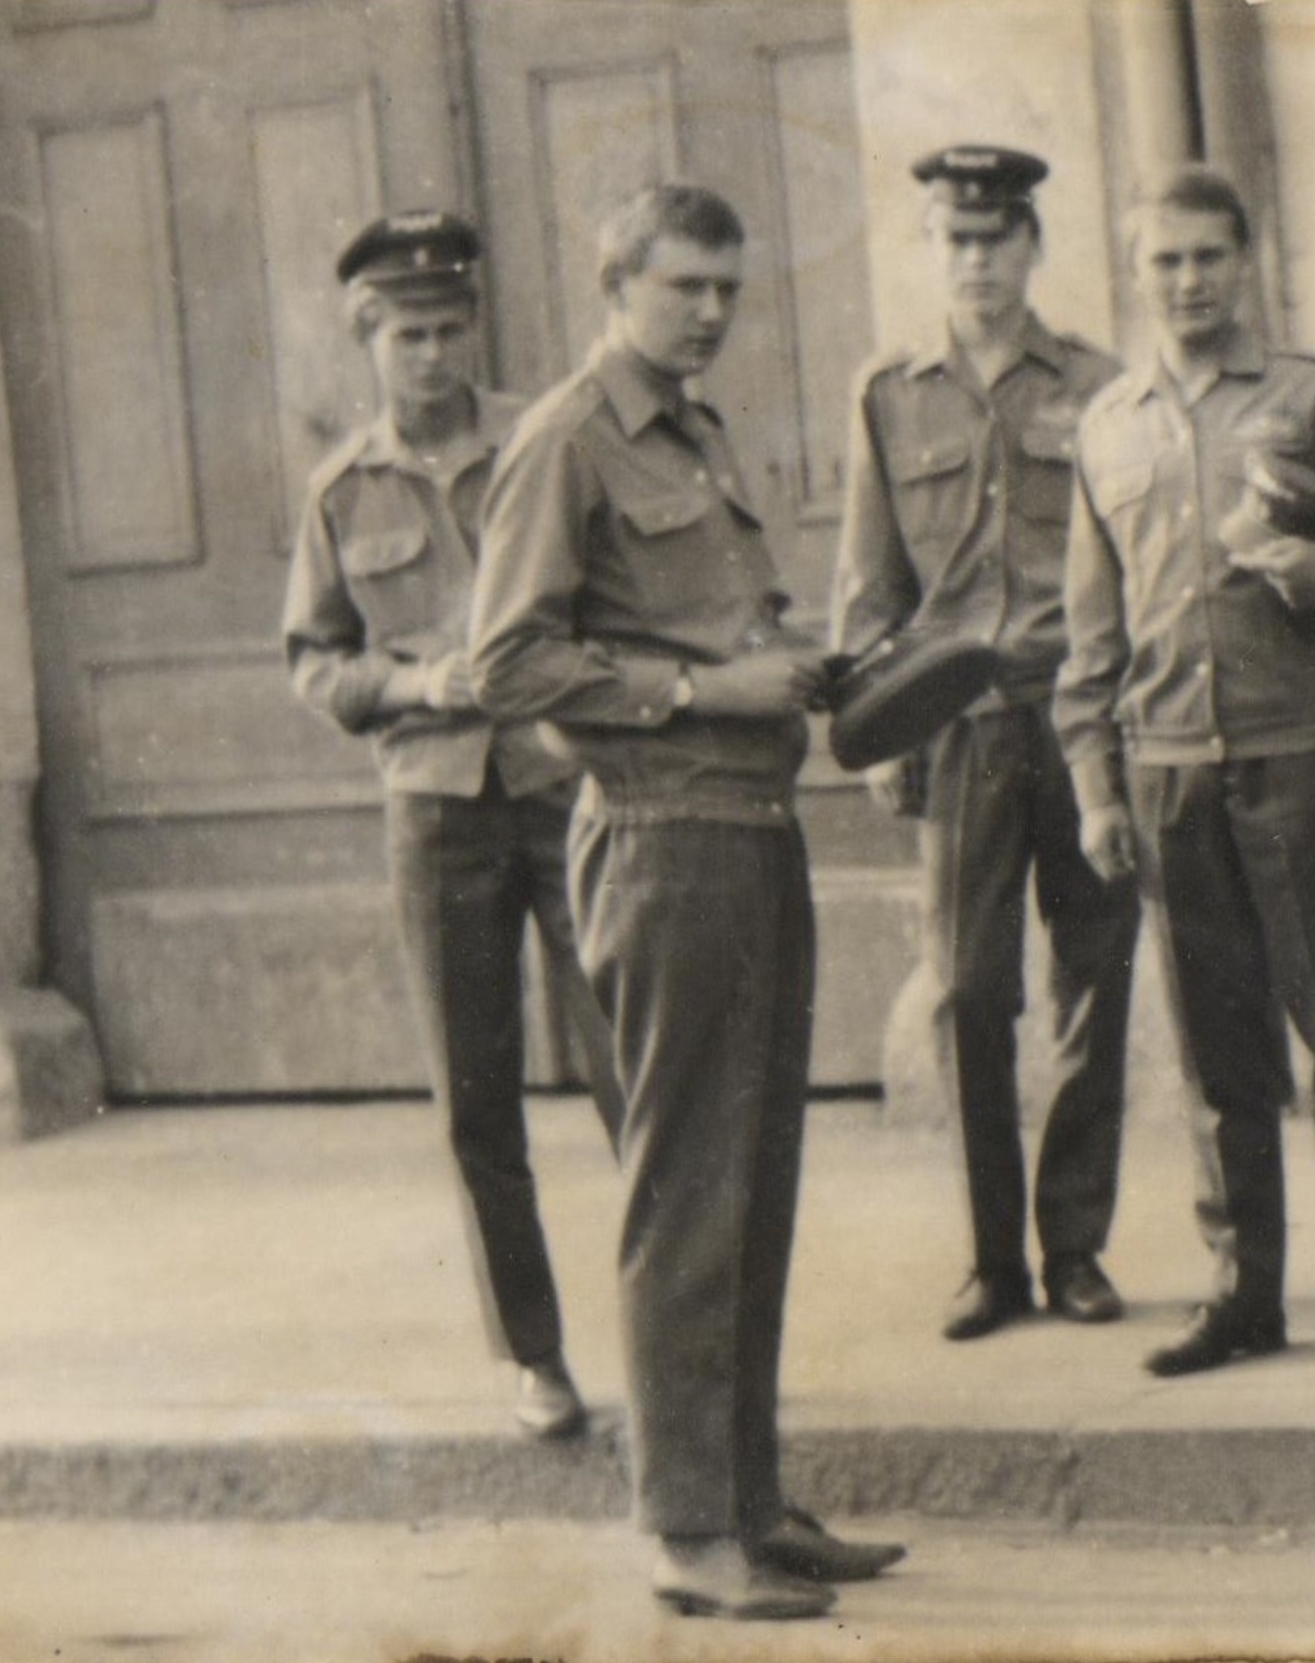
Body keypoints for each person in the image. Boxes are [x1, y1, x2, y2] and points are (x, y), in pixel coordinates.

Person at [469, 182, 903, 1623]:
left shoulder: (697, 431)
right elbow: (506, 664)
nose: (713, 311)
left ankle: (749, 1503)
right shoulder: (565, 440)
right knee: (687, 1193)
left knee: (753, 1188)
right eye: (684, 288)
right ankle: (685, 1529)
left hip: (751, 831)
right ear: (616, 288)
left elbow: (712, 622)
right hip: (662, 841)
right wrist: (708, 690)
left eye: (727, 287)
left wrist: (795, 660)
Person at [1056, 165, 1315, 1378]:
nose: (1189, 281)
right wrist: (1095, 784)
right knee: (1217, 1055)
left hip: (1298, 755)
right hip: (1168, 768)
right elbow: (1092, 630)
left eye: (1209, 256)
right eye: (1165, 261)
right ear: (1136, 275)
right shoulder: (1109, 425)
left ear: (1246, 259)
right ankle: (1243, 1288)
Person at [281, 209, 624, 1445]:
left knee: (630, 1059)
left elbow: (609, 589)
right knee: (475, 1099)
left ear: (473, 327)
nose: (430, 355)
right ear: (365, 339)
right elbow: (316, 662)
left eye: (446, 329)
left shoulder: (542, 439)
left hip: (563, 782)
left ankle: (686, 1330)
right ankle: (534, 1355)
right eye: (405, 335)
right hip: (435, 808)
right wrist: (417, 683)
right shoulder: (342, 490)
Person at [833, 145, 1140, 1343]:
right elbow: (868, 580)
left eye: (997, 236)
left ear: (1032, 245)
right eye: (955, 238)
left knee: (1093, 981)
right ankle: (992, 1257)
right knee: (967, 988)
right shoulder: (889, 392)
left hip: (1077, 713)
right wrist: (876, 726)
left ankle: (1075, 1245)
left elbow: (1128, 560)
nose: (976, 261)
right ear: (931, 246)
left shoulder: (1099, 384)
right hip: (958, 723)